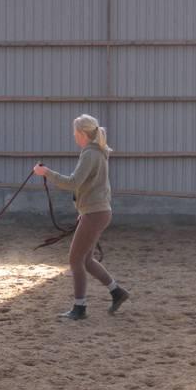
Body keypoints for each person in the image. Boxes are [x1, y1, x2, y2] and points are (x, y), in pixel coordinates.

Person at [33, 114, 130, 320]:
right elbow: (94, 186)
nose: (74, 136)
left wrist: (46, 172)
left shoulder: (89, 154)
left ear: (82, 134)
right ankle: (117, 292)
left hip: (95, 213)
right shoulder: (99, 152)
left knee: (75, 259)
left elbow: (73, 182)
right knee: (86, 260)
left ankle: (80, 307)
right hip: (98, 211)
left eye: (75, 132)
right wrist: (84, 212)